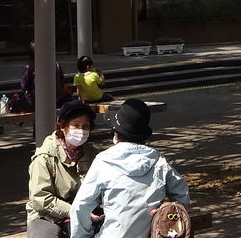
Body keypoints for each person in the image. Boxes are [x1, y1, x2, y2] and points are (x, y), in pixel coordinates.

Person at [69, 99, 189, 238]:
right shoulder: (158, 161)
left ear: (115, 134)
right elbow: (182, 194)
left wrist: (83, 236)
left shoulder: (103, 162)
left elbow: (80, 207)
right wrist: (165, 208)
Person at [27, 100, 98, 238]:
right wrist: (74, 211)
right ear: (63, 127)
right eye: (76, 125)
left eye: (85, 126)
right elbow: (40, 198)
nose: (81, 131)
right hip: (46, 216)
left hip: (86, 213)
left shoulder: (94, 155)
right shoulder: (45, 157)